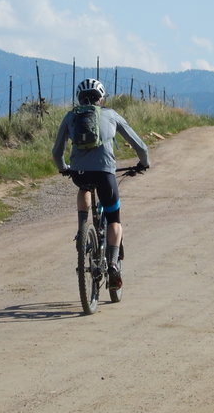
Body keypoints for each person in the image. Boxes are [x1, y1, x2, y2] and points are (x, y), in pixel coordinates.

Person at [52, 78, 150, 289]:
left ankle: (82, 227)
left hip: (80, 172)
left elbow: (56, 151)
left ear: (79, 98)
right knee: (114, 219)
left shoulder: (71, 116)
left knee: (84, 186)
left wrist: (63, 167)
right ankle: (113, 265)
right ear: (102, 98)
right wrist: (143, 163)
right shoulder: (111, 115)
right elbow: (140, 146)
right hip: (105, 173)